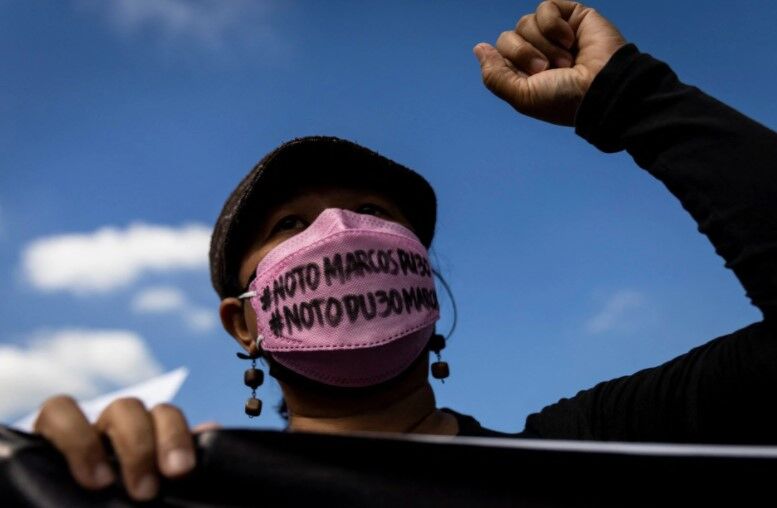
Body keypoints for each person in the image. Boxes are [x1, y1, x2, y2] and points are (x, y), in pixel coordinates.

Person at [29, 0, 777, 502]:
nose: (341, 231)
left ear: (425, 285)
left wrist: (630, 98)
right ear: (242, 323)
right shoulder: (186, 487)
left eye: (370, 212)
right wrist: (64, 479)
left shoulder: (598, 451)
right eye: (290, 224)